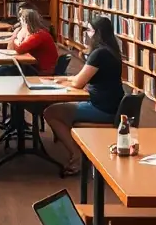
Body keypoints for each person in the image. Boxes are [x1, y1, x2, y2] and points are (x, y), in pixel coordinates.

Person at [42, 16, 124, 176]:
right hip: (113, 104)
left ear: (97, 33)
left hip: (102, 108)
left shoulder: (99, 54)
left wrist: (65, 82)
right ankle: (79, 148)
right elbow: (83, 77)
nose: (87, 34)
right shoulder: (112, 52)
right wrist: (65, 79)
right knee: (62, 109)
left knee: (51, 112)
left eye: (89, 30)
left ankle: (77, 155)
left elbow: (79, 83)